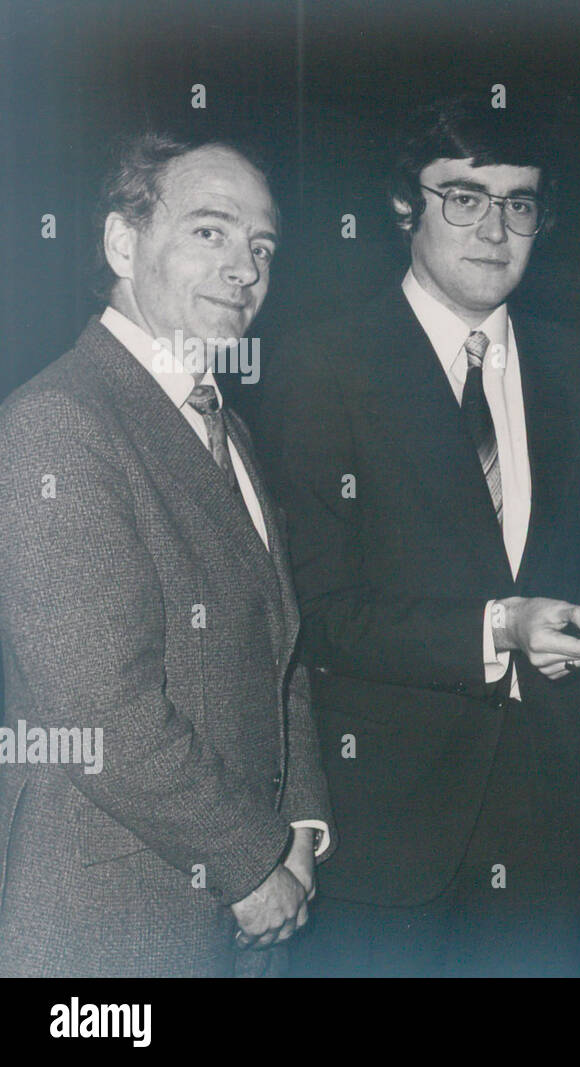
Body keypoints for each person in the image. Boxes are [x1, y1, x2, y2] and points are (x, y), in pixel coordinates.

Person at [260, 98, 580, 977]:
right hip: (392, 824)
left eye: (519, 203)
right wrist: (497, 627)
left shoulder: (573, 364)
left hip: (556, 819)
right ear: (406, 209)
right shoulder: (326, 365)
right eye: (464, 198)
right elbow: (314, 612)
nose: (494, 228)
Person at [0, 132, 332, 977]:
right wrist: (252, 860)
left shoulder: (225, 424)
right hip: (113, 919)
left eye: (262, 247)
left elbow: (278, 651)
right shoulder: (59, 421)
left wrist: (296, 833)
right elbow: (98, 708)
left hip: (233, 903)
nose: (246, 268)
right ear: (122, 243)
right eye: (210, 232)